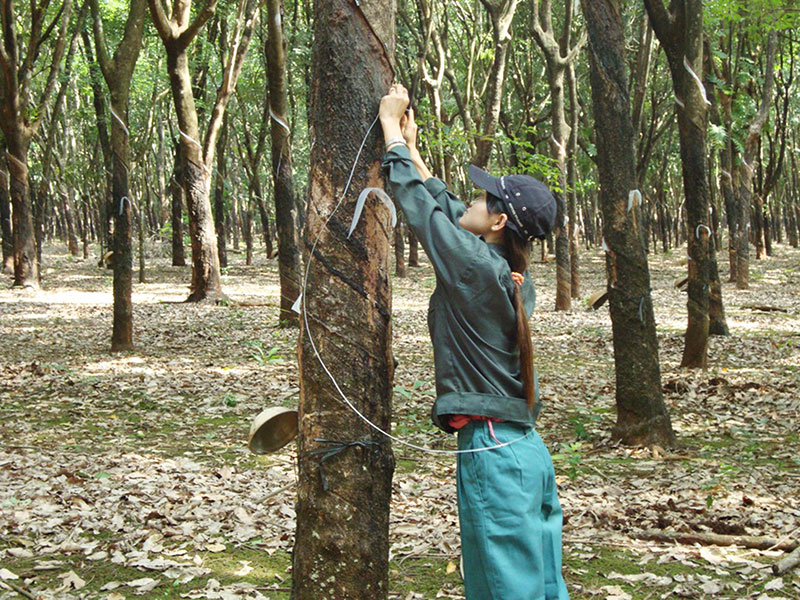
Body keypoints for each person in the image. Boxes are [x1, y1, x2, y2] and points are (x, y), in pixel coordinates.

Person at [379, 82, 570, 600]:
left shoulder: (474, 268)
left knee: (506, 590)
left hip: (493, 451)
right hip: (524, 452)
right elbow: (448, 204)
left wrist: (391, 129)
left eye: (487, 199)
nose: (475, 200)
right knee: (543, 586)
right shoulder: (509, 271)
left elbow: (423, 211)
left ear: (500, 221)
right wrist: (415, 148)